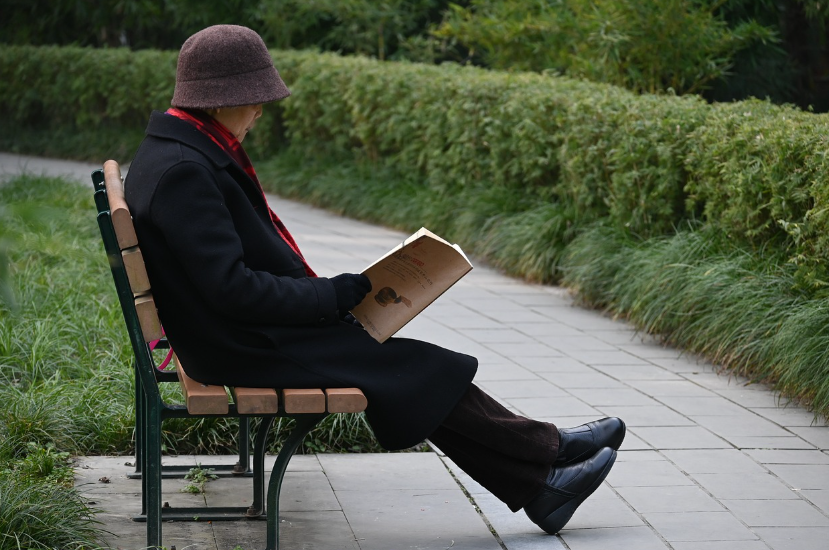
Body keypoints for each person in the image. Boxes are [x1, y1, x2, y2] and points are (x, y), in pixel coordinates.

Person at [124, 24, 625, 535]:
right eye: (255, 100)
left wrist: (335, 296)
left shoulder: (180, 151)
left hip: (236, 332)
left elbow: (226, 282)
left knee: (411, 368)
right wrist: (331, 294)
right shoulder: (187, 169)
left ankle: (543, 480)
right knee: (412, 368)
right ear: (223, 98)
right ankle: (549, 458)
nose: (259, 112)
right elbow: (233, 288)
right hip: (240, 343)